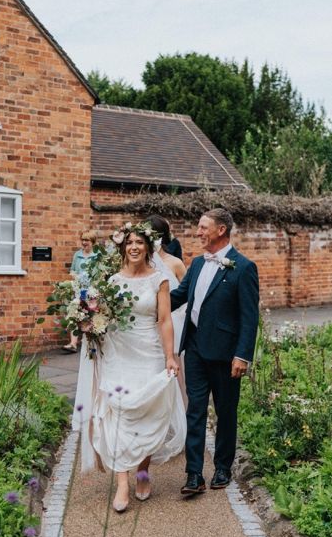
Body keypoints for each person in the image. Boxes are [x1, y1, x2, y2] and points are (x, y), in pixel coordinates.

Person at [87, 223, 185, 513]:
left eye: (139, 243)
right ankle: (122, 483)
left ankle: (142, 471)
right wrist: (87, 321)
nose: (134, 247)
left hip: (150, 351)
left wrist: (170, 356)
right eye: (129, 242)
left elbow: (164, 320)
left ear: (148, 247)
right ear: (123, 247)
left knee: (147, 412)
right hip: (118, 352)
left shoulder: (159, 280)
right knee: (119, 412)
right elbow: (99, 315)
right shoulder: (112, 281)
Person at [171, 208, 259, 496]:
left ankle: (223, 466)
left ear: (221, 230)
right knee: (194, 410)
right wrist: (143, 298)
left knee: (225, 412)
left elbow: (249, 317)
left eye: (202, 227)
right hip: (194, 349)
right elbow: (178, 297)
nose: (198, 232)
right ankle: (194, 474)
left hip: (225, 354)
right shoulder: (196, 264)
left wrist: (242, 355)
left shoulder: (243, 268)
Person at [147, 214, 188, 406]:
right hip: (149, 322)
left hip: (174, 322)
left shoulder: (175, 263)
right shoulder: (144, 264)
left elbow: (188, 294)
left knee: (175, 367)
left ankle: (179, 408)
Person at [63, 229, 98, 353]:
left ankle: (90, 342)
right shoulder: (77, 255)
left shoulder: (97, 255)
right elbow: (72, 270)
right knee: (75, 313)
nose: (84, 242)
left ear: (92, 241)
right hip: (80, 290)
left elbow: (100, 273)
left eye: (87, 240)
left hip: (92, 290)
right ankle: (73, 343)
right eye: (82, 239)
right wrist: (76, 277)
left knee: (91, 315)